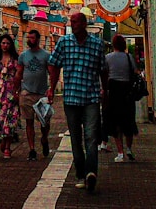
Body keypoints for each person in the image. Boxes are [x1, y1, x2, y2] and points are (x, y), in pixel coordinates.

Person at [48, 12, 107, 194]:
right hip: (71, 97)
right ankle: (80, 174)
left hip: (90, 97)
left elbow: (103, 69)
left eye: (74, 22)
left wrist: (105, 89)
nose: (71, 24)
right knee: (75, 139)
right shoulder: (64, 43)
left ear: (83, 24)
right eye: (71, 22)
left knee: (91, 137)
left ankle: (91, 173)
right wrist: (52, 87)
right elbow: (54, 64)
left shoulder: (97, 44)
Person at [15, 28, 51, 161]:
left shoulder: (46, 55)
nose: (29, 40)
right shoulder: (23, 56)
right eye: (28, 38)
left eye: (32, 38)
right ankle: (32, 149)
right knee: (29, 122)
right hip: (26, 93)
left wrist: (51, 88)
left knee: (44, 122)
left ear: (37, 39)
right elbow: (19, 73)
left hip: (42, 93)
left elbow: (52, 72)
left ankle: (44, 138)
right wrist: (16, 89)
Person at [104, 34, 137, 162]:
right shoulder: (129, 58)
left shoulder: (108, 58)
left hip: (113, 93)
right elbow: (134, 72)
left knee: (116, 123)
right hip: (127, 93)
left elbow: (104, 74)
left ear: (113, 45)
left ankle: (120, 152)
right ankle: (129, 148)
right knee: (128, 121)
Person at [0, 34, 20, 158]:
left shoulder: (15, 59)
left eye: (7, 43)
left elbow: (18, 75)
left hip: (11, 92)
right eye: (3, 43)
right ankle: (3, 141)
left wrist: (18, 90)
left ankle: (7, 147)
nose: (5, 45)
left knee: (11, 119)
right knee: (0, 118)